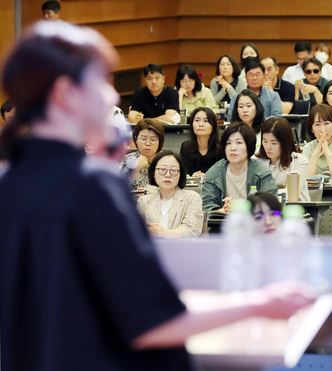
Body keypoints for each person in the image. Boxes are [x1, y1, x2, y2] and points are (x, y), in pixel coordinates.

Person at [0, 21, 312, 371]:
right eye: (99, 81)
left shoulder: (9, 183)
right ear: (64, 93)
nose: (109, 97)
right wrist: (261, 303)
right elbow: (153, 322)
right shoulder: (92, 187)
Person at [202, 123, 278, 212]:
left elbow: (271, 206)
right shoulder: (214, 173)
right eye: (228, 143)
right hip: (222, 224)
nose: (233, 148)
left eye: (239, 142)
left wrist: (241, 207)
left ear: (249, 145)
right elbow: (206, 206)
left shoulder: (261, 172)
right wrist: (225, 210)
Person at [137, 151, 203, 238]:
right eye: (162, 170)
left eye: (173, 170)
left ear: (180, 174)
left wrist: (164, 233)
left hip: (182, 250)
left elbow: (192, 230)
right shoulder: (143, 202)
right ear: (153, 173)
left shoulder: (192, 198)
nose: (168, 175)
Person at [257, 117, 310, 202]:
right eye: (265, 141)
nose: (268, 147)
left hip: (297, 211)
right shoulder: (257, 162)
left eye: (274, 143)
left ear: (285, 142)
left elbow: (291, 194)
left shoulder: (299, 161)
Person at [120, 119, 164, 190]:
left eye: (153, 140)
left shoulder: (168, 160)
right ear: (136, 140)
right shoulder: (127, 160)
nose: (148, 143)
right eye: (143, 139)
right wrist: (136, 169)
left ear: (160, 142)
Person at [180, 107, 223, 177]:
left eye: (206, 121)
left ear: (213, 126)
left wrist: (207, 177)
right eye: (197, 120)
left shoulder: (222, 148)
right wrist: (192, 178)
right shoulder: (185, 147)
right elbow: (183, 174)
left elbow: (223, 176)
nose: (201, 124)